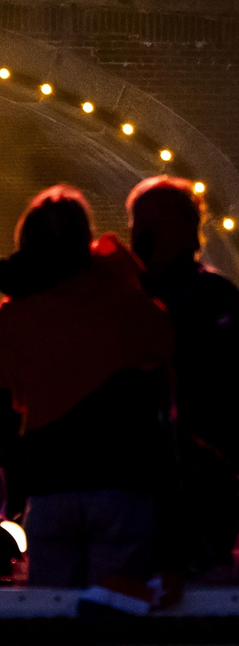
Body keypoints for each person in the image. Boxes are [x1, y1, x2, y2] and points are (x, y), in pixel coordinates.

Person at [0, 185, 173, 587]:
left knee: (53, 620)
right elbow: (165, 366)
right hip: (122, 487)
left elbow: (6, 412)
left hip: (49, 489)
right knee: (115, 617)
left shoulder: (13, 320)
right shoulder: (129, 304)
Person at [126, 176, 239, 575]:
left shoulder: (211, 297)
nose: (138, 235)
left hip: (199, 482)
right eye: (137, 224)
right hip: (150, 480)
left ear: (185, 227)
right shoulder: (131, 297)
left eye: (146, 225)